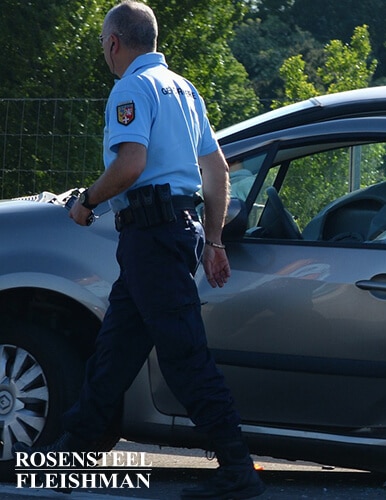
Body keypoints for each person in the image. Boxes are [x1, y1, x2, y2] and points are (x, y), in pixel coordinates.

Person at [13, 2, 265, 499]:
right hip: (172, 235)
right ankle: (69, 456)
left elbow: (131, 163)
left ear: (113, 43)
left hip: (152, 237)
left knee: (184, 355)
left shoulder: (130, 88)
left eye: (103, 45)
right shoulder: (183, 88)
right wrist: (213, 241)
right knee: (115, 350)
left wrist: (87, 201)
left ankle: (238, 468)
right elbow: (216, 171)